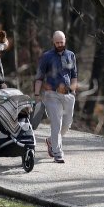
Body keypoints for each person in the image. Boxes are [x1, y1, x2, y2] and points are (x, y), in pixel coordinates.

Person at [33, 30, 78, 164]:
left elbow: (74, 74)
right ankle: (58, 153)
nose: (59, 44)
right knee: (56, 124)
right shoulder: (46, 56)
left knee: (67, 123)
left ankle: (51, 141)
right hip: (51, 94)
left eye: (61, 42)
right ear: (53, 42)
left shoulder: (71, 55)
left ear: (65, 41)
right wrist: (36, 95)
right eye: (57, 42)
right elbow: (39, 77)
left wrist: (73, 90)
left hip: (68, 94)